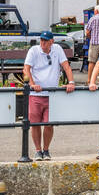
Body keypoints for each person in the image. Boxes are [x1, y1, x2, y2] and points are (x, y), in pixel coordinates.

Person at [23, 30, 76, 160]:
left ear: (51, 42)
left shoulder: (57, 49)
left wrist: (71, 82)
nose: (43, 43)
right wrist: (32, 83)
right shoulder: (34, 50)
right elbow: (26, 68)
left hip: (52, 94)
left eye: (45, 41)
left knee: (49, 124)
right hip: (36, 94)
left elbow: (66, 66)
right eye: (41, 40)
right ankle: (37, 150)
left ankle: (46, 150)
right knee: (34, 124)